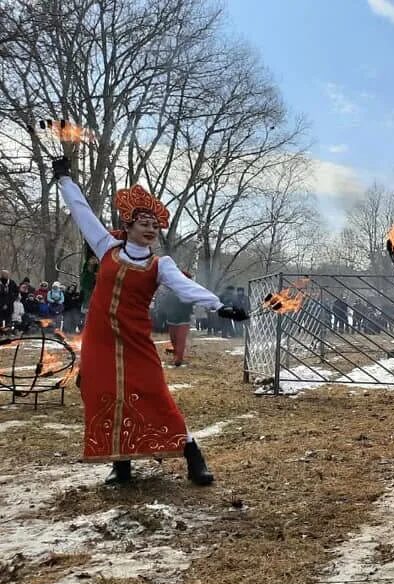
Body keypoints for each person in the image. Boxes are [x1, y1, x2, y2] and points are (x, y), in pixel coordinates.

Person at [52, 156, 248, 485]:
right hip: (100, 339)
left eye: (154, 226)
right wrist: (64, 179)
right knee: (104, 396)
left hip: (134, 340)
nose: (150, 230)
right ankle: (121, 465)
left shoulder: (161, 264)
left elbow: (188, 288)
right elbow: (82, 212)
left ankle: (191, 454)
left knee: (155, 395)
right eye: (144, 223)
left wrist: (219, 306)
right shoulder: (106, 247)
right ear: (128, 224)